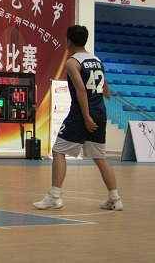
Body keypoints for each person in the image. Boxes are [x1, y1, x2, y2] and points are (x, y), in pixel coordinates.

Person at [33, 25, 122, 211]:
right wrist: (104, 93)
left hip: (81, 114)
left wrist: (86, 116)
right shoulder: (97, 60)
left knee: (58, 150)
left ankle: (54, 197)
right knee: (100, 157)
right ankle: (115, 199)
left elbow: (81, 89)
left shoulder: (72, 62)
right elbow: (104, 82)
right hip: (100, 112)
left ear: (69, 41)